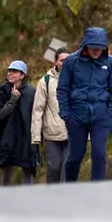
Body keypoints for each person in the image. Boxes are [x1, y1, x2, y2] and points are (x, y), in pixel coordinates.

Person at [58, 26, 112, 182]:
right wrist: (66, 114)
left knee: (99, 155)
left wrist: (110, 111)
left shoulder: (110, 62)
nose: (96, 51)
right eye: (93, 47)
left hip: (101, 116)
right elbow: (62, 89)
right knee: (75, 156)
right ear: (86, 45)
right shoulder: (71, 61)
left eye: (100, 48)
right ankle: (69, 186)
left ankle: (97, 189)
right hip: (76, 116)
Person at [0, 60, 39, 185]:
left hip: (26, 135)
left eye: (15, 71)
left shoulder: (31, 92)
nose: (11, 74)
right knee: (7, 166)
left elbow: (37, 114)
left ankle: (27, 195)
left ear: (22, 75)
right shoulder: (1, 90)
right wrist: (13, 100)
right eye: (9, 71)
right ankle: (5, 195)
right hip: (6, 136)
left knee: (28, 166)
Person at [32, 49, 71, 182]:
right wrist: (36, 137)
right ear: (55, 62)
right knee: (54, 167)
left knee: (68, 168)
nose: (65, 63)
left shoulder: (78, 79)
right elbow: (38, 110)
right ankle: (52, 193)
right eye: (62, 60)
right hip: (51, 134)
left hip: (72, 133)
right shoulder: (46, 81)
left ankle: (67, 194)